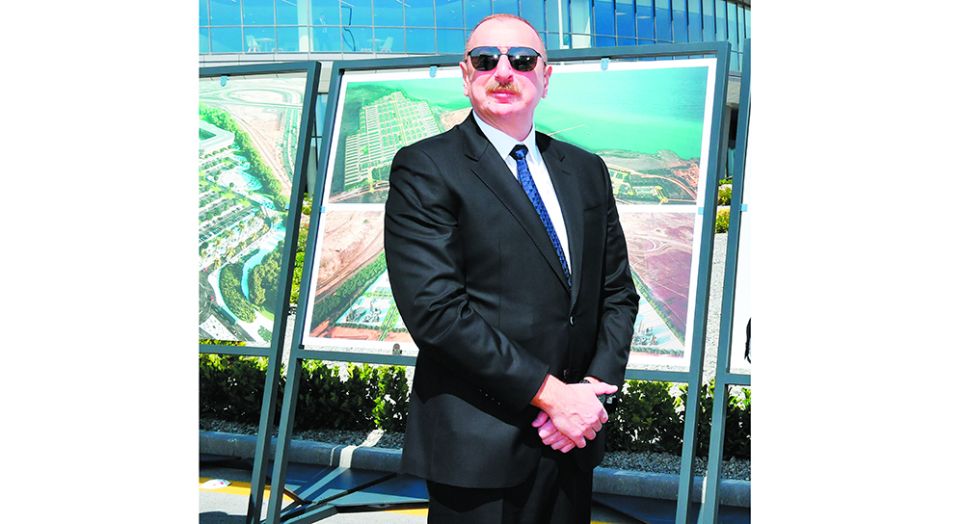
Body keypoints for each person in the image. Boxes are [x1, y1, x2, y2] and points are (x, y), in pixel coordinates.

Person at [384, 14, 639, 523]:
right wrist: (552, 397)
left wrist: (592, 392)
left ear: (546, 77)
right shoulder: (425, 167)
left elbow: (616, 293)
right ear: (466, 76)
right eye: (486, 60)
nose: (504, 72)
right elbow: (437, 313)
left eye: (522, 60)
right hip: (479, 447)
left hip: (571, 439)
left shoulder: (585, 170)